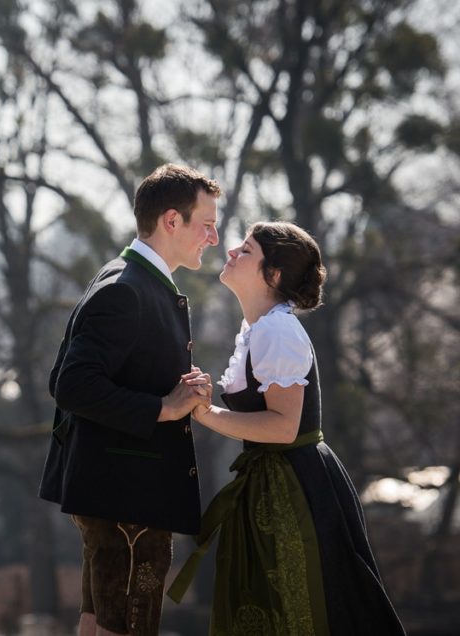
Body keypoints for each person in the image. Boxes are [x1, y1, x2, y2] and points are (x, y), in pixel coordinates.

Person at [167, 221, 406, 635]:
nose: (230, 253)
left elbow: (283, 428)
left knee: (306, 608)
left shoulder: (277, 331)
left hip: (296, 489)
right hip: (275, 483)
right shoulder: (260, 329)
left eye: (245, 251)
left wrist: (205, 414)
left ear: (273, 275)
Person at [39, 163, 221, 636]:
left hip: (121, 498)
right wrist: (164, 407)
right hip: (127, 504)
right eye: (207, 224)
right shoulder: (125, 289)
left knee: (98, 626)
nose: (214, 237)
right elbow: (71, 383)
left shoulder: (136, 281)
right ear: (172, 221)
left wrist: (179, 392)